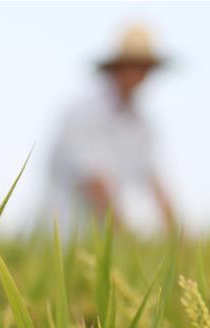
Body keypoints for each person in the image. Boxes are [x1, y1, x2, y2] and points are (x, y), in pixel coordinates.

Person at [48, 25, 176, 235]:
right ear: (116, 69)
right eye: (132, 66)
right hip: (63, 231)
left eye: (144, 67)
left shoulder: (141, 124)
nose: (138, 74)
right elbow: (93, 183)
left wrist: (179, 236)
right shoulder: (84, 114)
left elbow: (154, 181)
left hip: (103, 235)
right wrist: (125, 238)